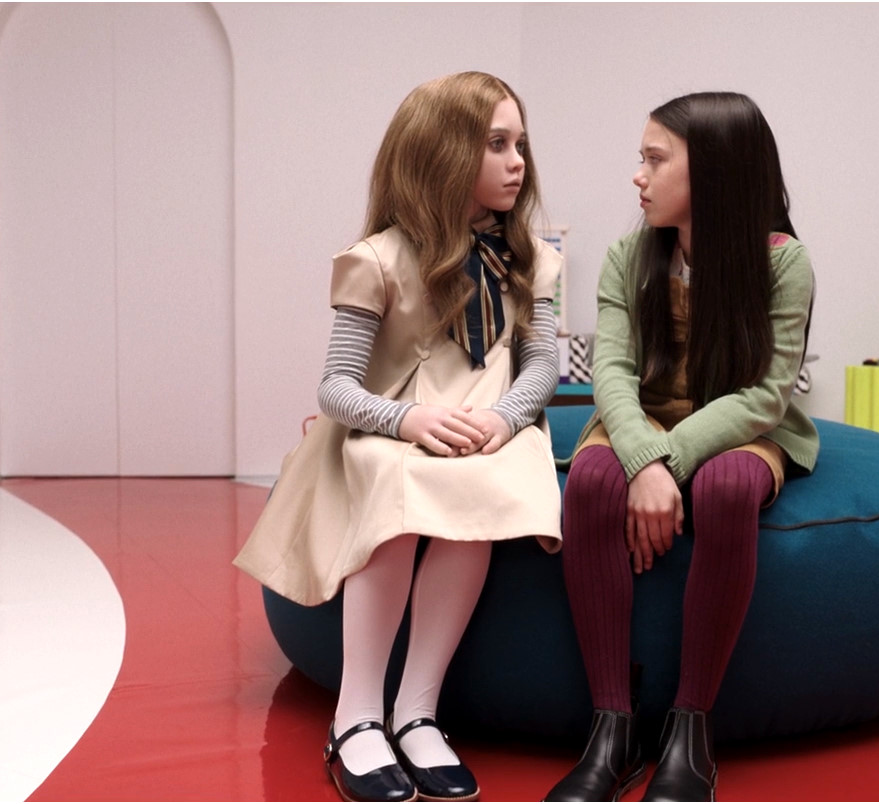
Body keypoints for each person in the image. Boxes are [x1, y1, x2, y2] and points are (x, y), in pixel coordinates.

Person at [234, 71, 564, 803]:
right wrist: (406, 420)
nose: (517, 163)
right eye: (496, 144)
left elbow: (542, 360)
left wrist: (506, 417)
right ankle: (355, 716)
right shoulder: (379, 259)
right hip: (389, 425)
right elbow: (336, 387)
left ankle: (418, 711)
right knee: (396, 487)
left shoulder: (530, 258)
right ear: (441, 153)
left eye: (521, 145)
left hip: (486, 426)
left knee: (482, 495)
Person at [545, 92, 818, 803]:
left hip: (741, 425)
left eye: (655, 159)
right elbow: (612, 374)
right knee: (591, 484)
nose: (638, 175)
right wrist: (641, 456)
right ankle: (611, 726)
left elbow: (765, 396)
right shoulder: (628, 257)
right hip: (641, 416)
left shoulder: (783, 263)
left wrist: (667, 463)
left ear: (716, 171)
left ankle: (690, 726)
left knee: (726, 489)